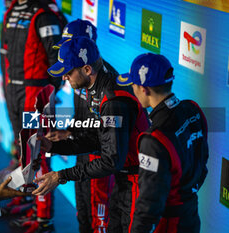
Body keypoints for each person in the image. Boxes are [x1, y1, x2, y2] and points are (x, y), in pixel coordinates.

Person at [33, 37, 149, 233]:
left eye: (68, 72)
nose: (64, 78)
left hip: (137, 180)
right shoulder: (95, 90)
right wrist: (54, 147)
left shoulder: (111, 100)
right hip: (124, 179)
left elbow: (111, 160)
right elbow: (96, 139)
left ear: (87, 69)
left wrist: (61, 175)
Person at [116, 53, 209, 233]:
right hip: (191, 216)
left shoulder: (153, 139)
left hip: (168, 224)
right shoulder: (193, 109)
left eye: (133, 84)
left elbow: (149, 203)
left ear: (144, 89)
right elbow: (202, 162)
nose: (132, 89)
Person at [46, 19, 117, 233]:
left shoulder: (106, 86)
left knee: (99, 219)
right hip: (85, 149)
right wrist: (68, 134)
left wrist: (61, 173)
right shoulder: (82, 78)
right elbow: (84, 119)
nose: (65, 76)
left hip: (102, 159)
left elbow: (106, 145)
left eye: (71, 43)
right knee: (84, 212)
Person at [2, 1, 67, 232]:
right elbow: (5, 54)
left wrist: (48, 93)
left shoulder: (44, 15)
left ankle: (44, 220)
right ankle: (30, 199)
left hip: (35, 94)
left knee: (38, 153)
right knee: (23, 150)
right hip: (14, 91)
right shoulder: (11, 11)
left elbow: (57, 58)